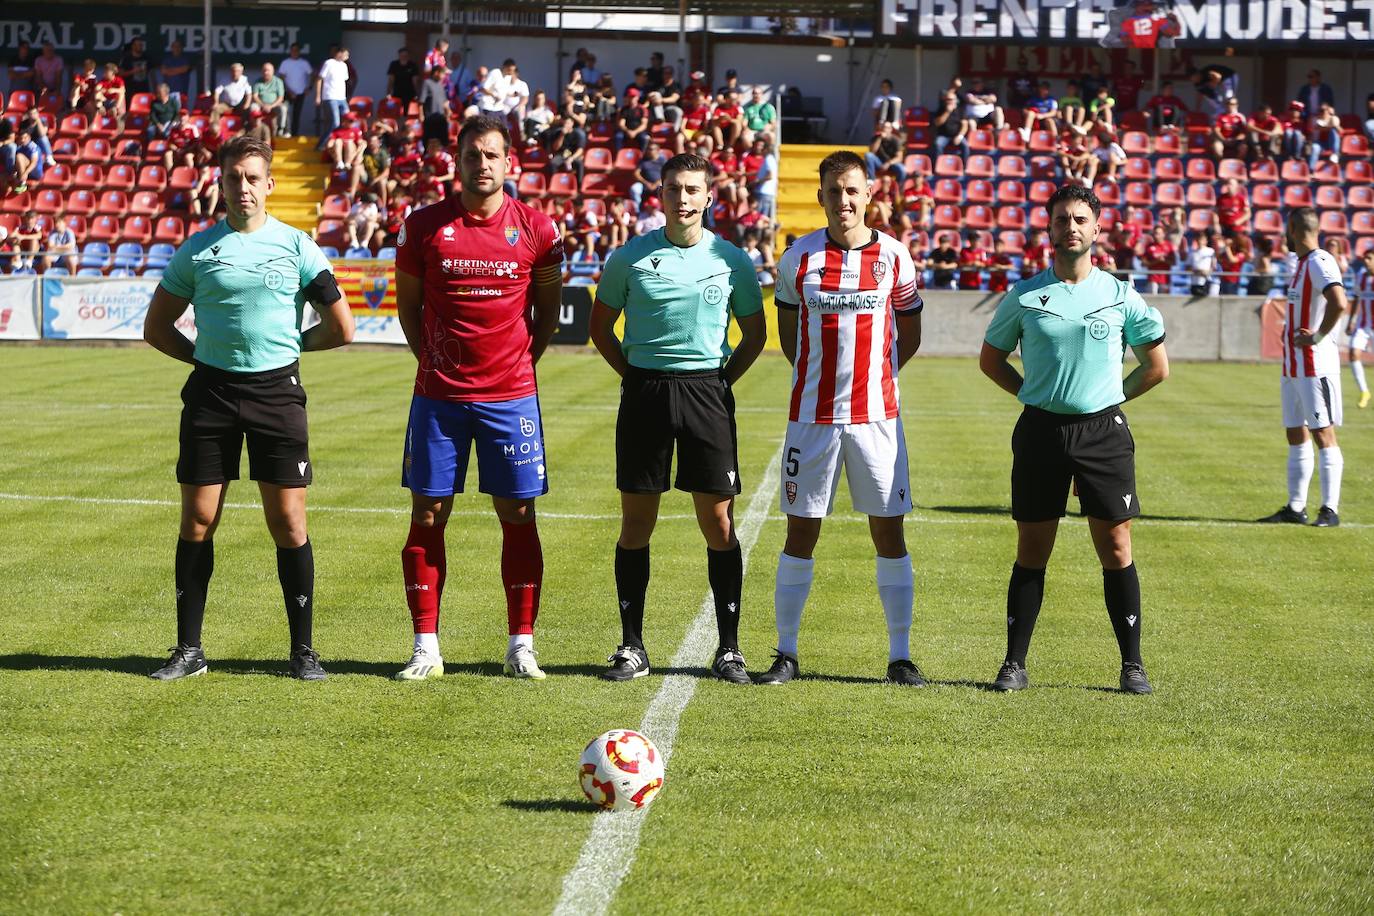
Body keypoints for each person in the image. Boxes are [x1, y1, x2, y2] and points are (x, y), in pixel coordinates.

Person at [141, 135, 355, 681]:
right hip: (211, 394)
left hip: (277, 394)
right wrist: (202, 362)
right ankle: (189, 650)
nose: (243, 188)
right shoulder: (198, 249)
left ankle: (302, 650)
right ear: (221, 182)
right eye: (234, 177)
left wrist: (289, 348)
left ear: (269, 185)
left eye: (253, 178)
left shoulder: (298, 245)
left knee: (288, 521)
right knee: (197, 519)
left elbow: (342, 327)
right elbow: (156, 327)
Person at [391, 115, 564, 681]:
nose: (481, 165)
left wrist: (513, 367)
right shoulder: (422, 227)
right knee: (428, 512)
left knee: (516, 512)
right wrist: (435, 362)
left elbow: (546, 319)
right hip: (438, 397)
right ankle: (425, 646)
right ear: (457, 162)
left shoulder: (537, 229)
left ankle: (521, 644)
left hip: (510, 398)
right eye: (472, 156)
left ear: (508, 162)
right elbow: (410, 310)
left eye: (491, 155)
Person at [979, 184, 1169, 695]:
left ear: (1097, 229)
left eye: (1080, 219)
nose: (1071, 227)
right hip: (1040, 430)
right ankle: (1014, 664)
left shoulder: (1120, 295)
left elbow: (1156, 367)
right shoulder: (1024, 295)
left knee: (1116, 544)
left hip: (1103, 432)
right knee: (1032, 547)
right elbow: (990, 360)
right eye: (1062, 219)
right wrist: (1032, 395)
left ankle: (1132, 666)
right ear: (1049, 228)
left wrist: (1113, 399)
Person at [588, 152, 767, 684]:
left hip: (707, 392)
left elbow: (754, 336)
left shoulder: (731, 259)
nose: (683, 199)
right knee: (636, 523)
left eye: (692, 190)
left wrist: (717, 384)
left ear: (709, 197)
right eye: (673, 189)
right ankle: (631, 646)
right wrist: (634, 377)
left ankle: (729, 648)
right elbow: (602, 328)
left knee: (718, 523)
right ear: (660, 196)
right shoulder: (631, 257)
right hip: (645, 392)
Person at [759, 149, 925, 687]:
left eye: (853, 190)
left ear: (869, 194)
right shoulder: (798, 259)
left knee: (889, 534)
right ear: (821, 197)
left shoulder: (896, 256)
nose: (844, 200)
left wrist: (876, 379)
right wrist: (820, 380)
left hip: (878, 418)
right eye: (834, 191)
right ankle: (786, 653)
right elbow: (789, 336)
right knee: (800, 532)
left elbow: (909, 333)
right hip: (811, 417)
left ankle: (900, 656)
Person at [1256, 208, 1349, 528]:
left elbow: (1339, 301)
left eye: (1286, 228)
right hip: (1293, 366)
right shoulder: (1303, 264)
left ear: (1293, 227)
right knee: (1295, 432)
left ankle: (1330, 509)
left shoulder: (1321, 262)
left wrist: (1320, 336)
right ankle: (1296, 507)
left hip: (1315, 365)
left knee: (1323, 433)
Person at [1347, 249, 1374, 409]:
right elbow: (1357, 298)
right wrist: (1351, 320)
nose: (1366, 261)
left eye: (1370, 258)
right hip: (1363, 325)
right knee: (1353, 353)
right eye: (1365, 258)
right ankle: (1364, 392)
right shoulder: (1361, 276)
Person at [315, 47, 350, 148]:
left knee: (347, 120)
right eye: (346, 54)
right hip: (330, 97)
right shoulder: (329, 63)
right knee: (335, 122)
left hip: (342, 98)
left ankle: (340, 142)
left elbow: (344, 80)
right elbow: (319, 79)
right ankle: (321, 145)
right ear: (340, 53)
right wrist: (318, 96)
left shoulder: (344, 66)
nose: (347, 57)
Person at [278, 43, 313, 138]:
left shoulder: (304, 63)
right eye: (292, 50)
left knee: (296, 114)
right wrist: (288, 90)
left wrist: (309, 87)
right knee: (285, 112)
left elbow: (312, 75)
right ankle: (286, 132)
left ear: (299, 51)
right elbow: (281, 78)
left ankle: (294, 134)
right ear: (290, 51)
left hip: (300, 93)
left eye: (296, 50)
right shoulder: (285, 63)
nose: (294, 52)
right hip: (287, 92)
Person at [252, 63, 288, 140]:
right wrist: (263, 105)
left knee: (283, 108)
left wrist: (271, 106)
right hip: (261, 105)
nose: (266, 72)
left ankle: (280, 130)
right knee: (253, 107)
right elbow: (255, 96)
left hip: (274, 105)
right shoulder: (257, 82)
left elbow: (281, 98)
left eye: (268, 70)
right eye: (264, 70)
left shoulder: (278, 81)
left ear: (273, 71)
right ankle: (254, 129)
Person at [160, 39, 193, 111]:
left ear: (182, 48)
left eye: (178, 46)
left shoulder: (185, 59)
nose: (176, 48)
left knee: (180, 112)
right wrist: (178, 70)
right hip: (168, 91)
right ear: (171, 48)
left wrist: (169, 71)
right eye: (174, 46)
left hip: (181, 92)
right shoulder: (167, 59)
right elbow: (163, 71)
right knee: (168, 112)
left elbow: (185, 69)